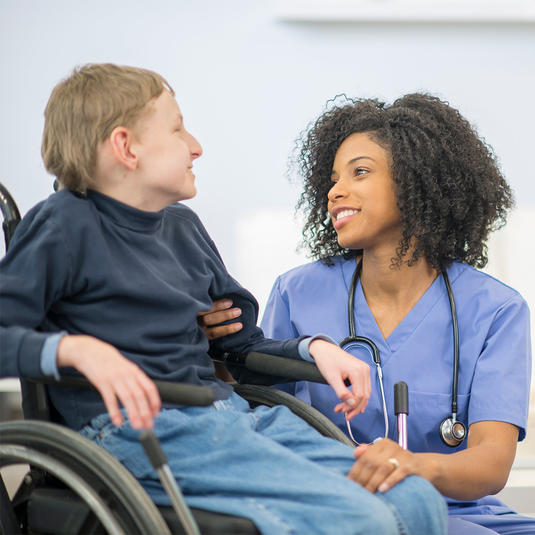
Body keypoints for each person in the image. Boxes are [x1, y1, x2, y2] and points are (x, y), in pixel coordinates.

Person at [0, 65, 448, 535]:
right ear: (126, 147)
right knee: (359, 519)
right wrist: (71, 350)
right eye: (177, 129)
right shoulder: (63, 225)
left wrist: (313, 348)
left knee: (413, 494)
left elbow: (239, 347)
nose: (196, 146)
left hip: (228, 417)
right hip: (145, 433)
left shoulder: (183, 228)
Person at [200, 94, 534, 534]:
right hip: (345, 510)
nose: (335, 191)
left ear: (417, 182)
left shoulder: (496, 311)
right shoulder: (298, 292)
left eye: (360, 172)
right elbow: (259, 410)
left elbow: (490, 466)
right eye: (333, 178)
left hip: (461, 512)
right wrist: (213, 351)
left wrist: (410, 465)